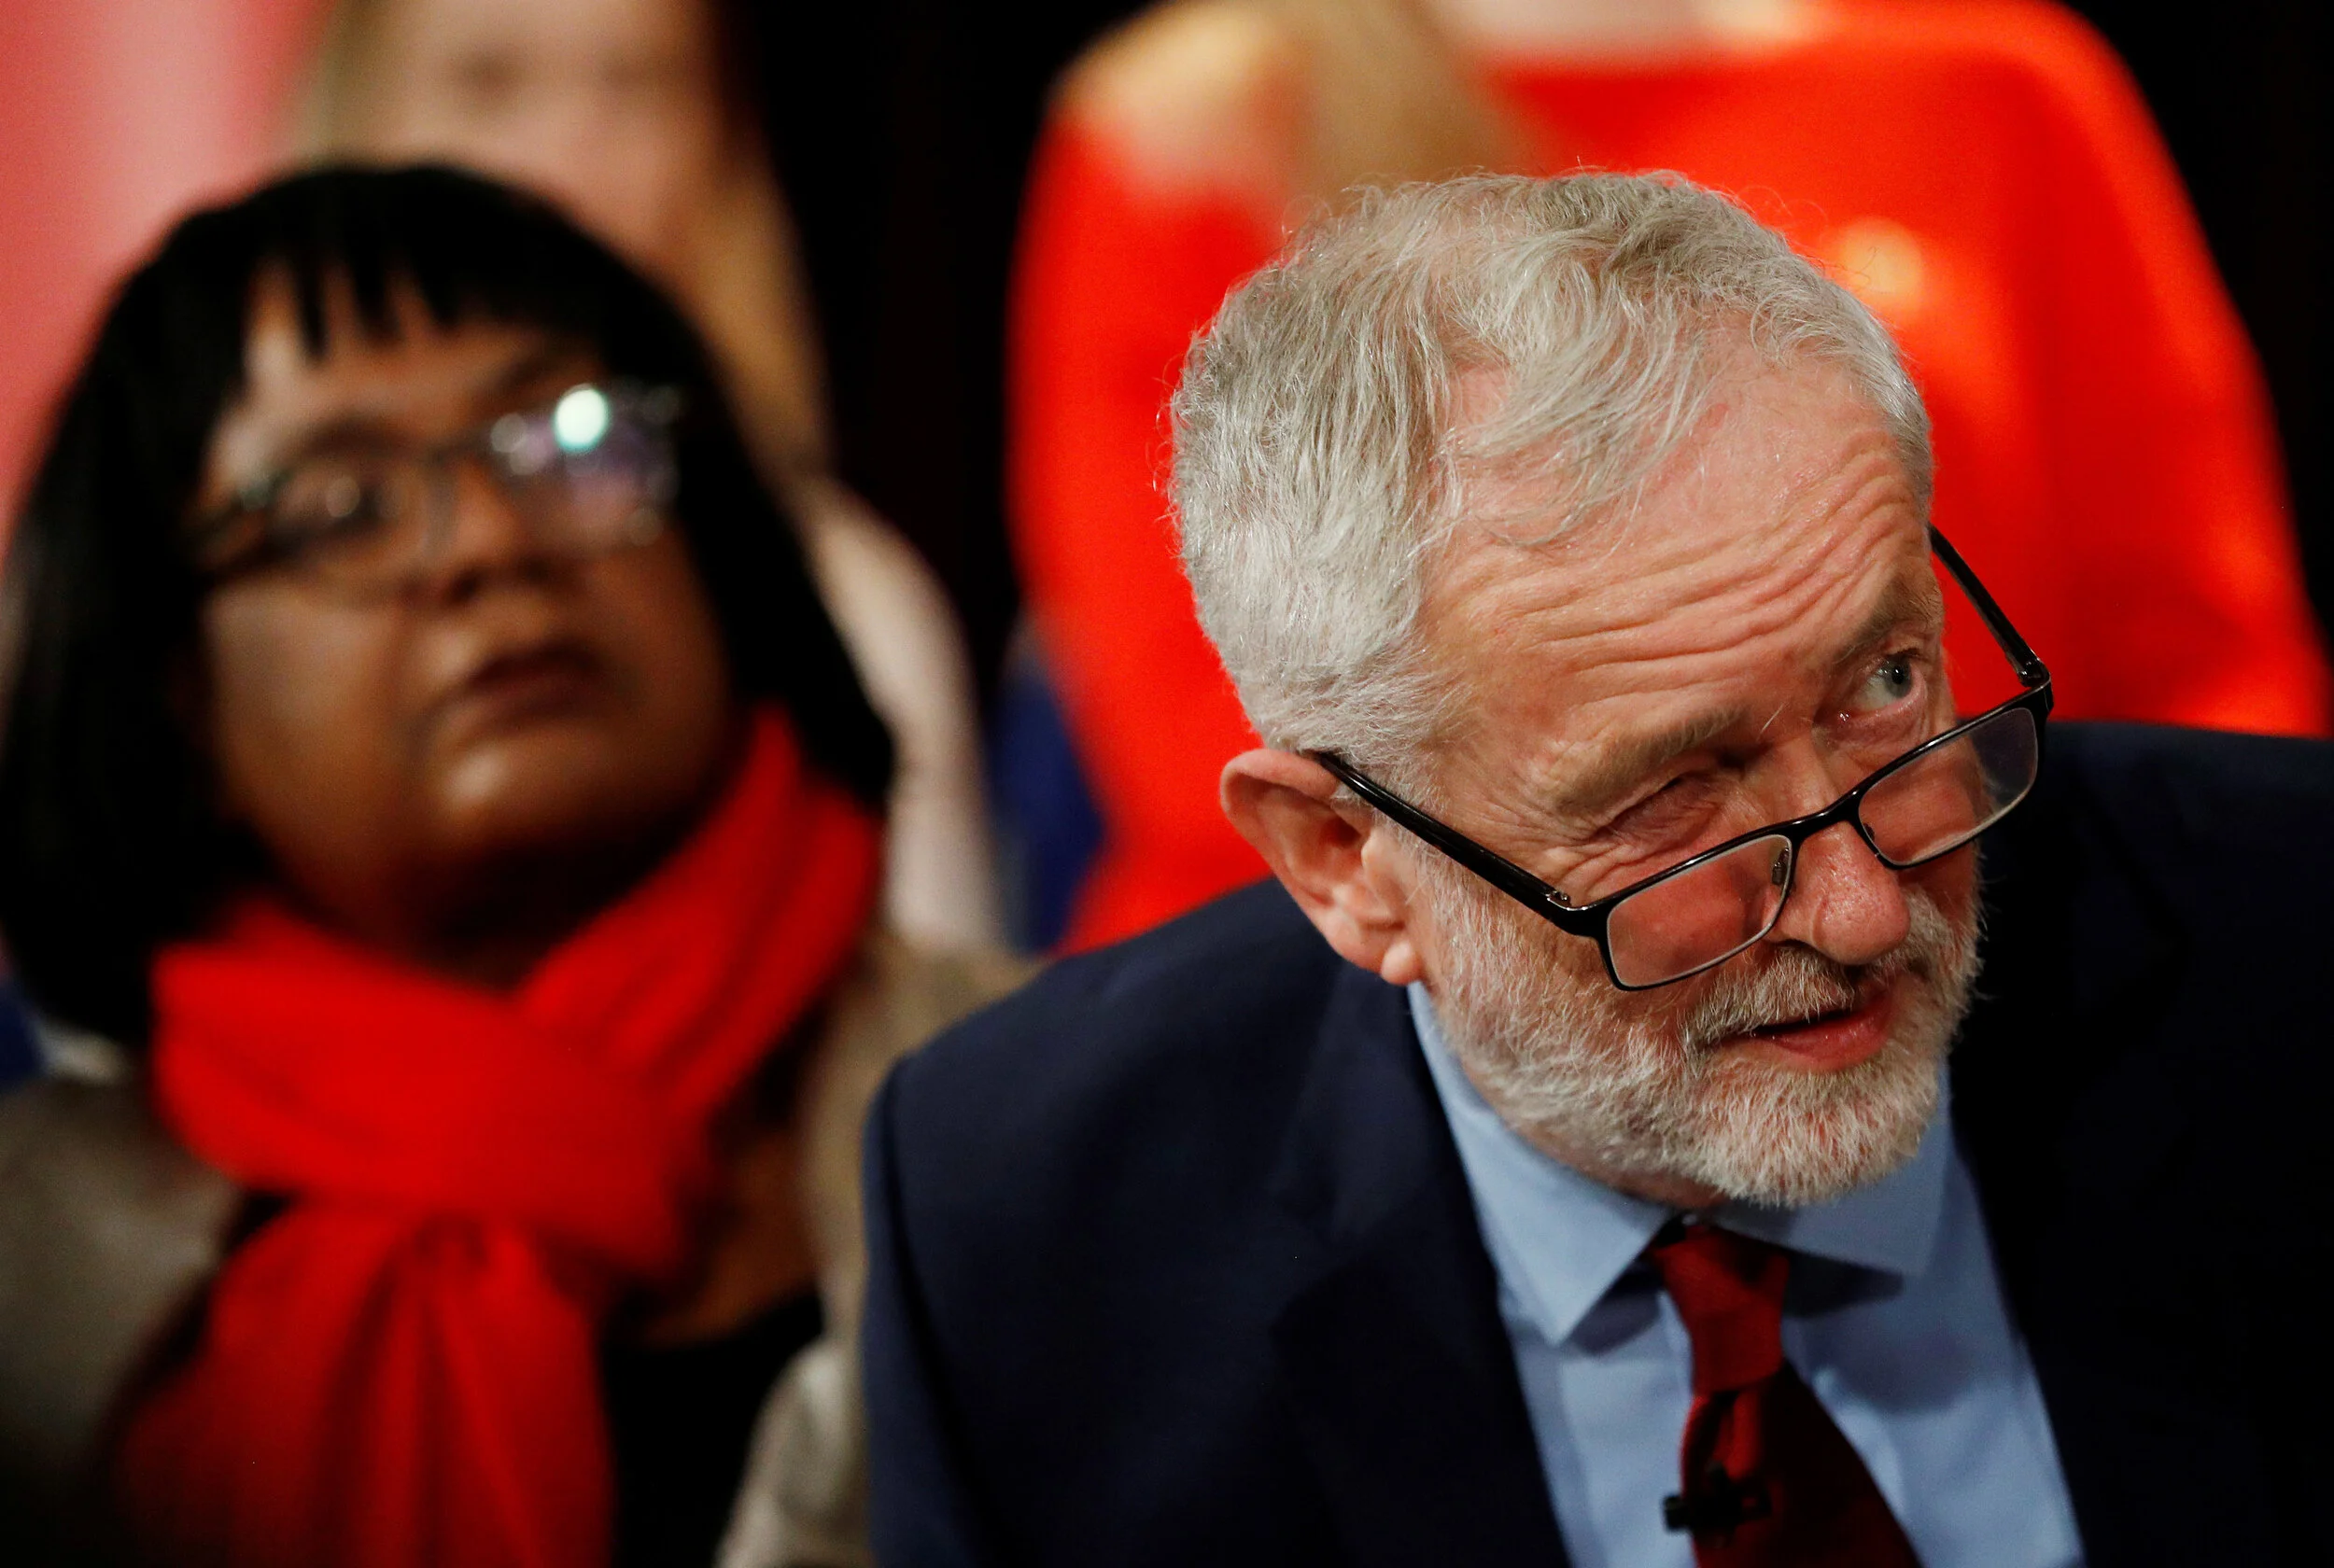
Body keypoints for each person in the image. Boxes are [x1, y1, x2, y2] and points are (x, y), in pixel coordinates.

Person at [863, 173, 2334, 1564]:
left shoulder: (2293, 934)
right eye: (1672, 799)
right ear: (1346, 859)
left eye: (1885, 684)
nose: (1863, 908)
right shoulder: (1028, 1229)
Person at [0, 165, 1023, 1568]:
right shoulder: (32, 1276)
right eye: (342, 507)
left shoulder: (1077, 1108)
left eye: (568, 442)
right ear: (169, 691)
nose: (492, 542)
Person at [1010, 0, 2333, 949]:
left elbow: (2208, 654)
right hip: (1423, 1001)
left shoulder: (2003, 87)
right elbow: (1193, 724)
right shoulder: (1190, 133)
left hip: (1977, 946)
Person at [302, 0, 1007, 953]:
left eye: (635, 84)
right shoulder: (217, 576)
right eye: (488, 81)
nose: (566, 153)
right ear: (355, 112)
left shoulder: (847, 592)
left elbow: (937, 1007)